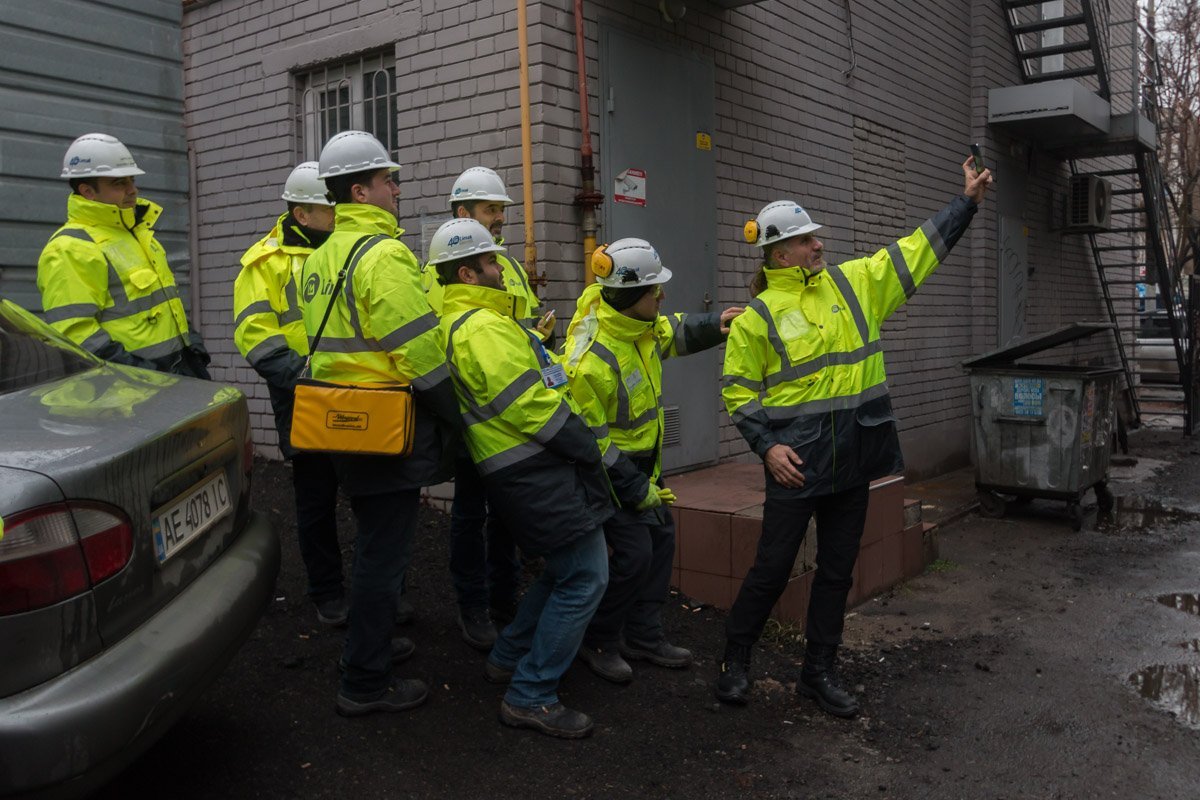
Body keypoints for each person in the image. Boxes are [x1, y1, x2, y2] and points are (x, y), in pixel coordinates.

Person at [716, 155, 993, 717]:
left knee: (837, 573)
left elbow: (917, 250)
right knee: (772, 570)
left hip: (851, 462)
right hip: (797, 467)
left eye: (816, 237)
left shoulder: (854, 284)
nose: (818, 245)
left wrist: (966, 202)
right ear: (777, 254)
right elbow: (737, 393)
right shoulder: (756, 318)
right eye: (805, 240)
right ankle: (734, 661)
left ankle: (817, 674)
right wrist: (767, 448)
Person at [430, 217, 612, 739]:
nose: (501, 270)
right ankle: (530, 694)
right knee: (586, 576)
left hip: (515, 465)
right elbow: (527, 404)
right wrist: (580, 441)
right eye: (490, 263)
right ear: (466, 272)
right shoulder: (482, 327)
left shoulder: (471, 322)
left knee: (563, 570)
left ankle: (508, 658)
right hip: (531, 464)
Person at [298, 131, 460, 717]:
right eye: (389, 179)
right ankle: (365, 681)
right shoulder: (384, 255)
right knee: (382, 553)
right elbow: (416, 351)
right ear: (361, 190)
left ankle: (374, 641)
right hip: (384, 425)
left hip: (341, 424)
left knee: (372, 542)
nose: (397, 187)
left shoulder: (319, 257)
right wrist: (454, 410)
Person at [561, 238, 742, 683]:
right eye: (654, 290)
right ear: (628, 296)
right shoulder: (590, 361)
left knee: (660, 539)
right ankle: (599, 639)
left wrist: (716, 324)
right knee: (634, 554)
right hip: (608, 475)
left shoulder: (638, 326)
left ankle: (643, 634)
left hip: (640, 470)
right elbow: (593, 445)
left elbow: (672, 331)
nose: (662, 296)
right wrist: (637, 488)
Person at [421, 168, 547, 650]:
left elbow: (527, 323)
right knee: (470, 513)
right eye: (492, 210)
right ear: (462, 213)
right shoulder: (437, 274)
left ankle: (503, 599)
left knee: (507, 513)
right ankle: (472, 606)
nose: (500, 220)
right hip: (471, 414)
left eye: (501, 211)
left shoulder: (505, 266)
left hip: (511, 412)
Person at [234, 162, 357, 626]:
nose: (339, 214)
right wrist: (301, 375)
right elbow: (255, 335)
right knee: (316, 497)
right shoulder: (264, 263)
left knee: (369, 492)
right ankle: (328, 592)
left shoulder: (348, 250)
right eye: (330, 208)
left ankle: (381, 591)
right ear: (303, 215)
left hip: (354, 388)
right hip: (303, 394)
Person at [38, 133, 210, 378]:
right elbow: (75, 333)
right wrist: (139, 375)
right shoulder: (70, 248)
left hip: (179, 375)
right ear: (87, 191)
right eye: (119, 183)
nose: (133, 190)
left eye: (131, 180)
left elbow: (166, 303)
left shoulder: (136, 235)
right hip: (137, 392)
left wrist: (193, 347)